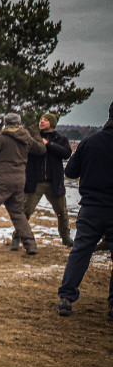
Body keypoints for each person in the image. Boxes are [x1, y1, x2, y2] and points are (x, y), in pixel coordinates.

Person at [57, 100, 113, 320]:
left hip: (91, 207)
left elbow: (70, 171)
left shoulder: (90, 142)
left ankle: (66, 298)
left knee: (80, 252)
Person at [0, 112, 47, 254]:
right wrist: (37, 135)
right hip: (18, 181)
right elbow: (41, 149)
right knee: (18, 214)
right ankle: (30, 245)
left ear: (6, 123)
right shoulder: (26, 138)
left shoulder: (2, 138)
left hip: (1, 181)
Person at [11, 112, 73, 249]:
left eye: (45, 119)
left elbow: (66, 153)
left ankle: (66, 238)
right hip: (35, 181)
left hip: (54, 182)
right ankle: (16, 237)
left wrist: (49, 144)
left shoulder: (60, 139)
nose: (42, 121)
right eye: (41, 119)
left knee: (62, 212)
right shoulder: (33, 137)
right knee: (25, 211)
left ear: (52, 123)